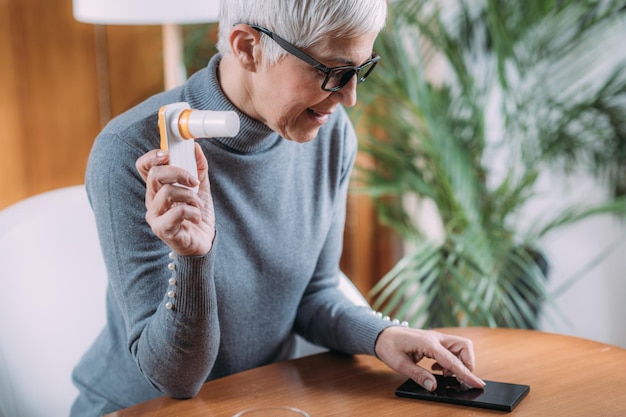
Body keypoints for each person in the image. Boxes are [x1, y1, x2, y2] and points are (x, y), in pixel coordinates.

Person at [70, 0, 485, 415]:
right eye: (332, 72)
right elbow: (176, 380)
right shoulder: (129, 150)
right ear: (248, 48)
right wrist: (193, 258)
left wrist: (383, 337)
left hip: (262, 402)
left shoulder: (329, 132)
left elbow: (315, 295)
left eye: (360, 70)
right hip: (142, 408)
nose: (351, 98)